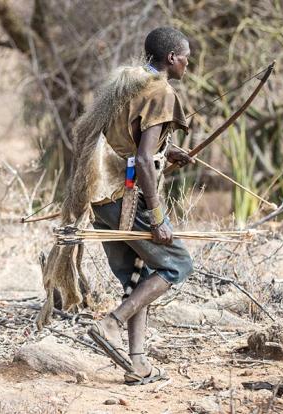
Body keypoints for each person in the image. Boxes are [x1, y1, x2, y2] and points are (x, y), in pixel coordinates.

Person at [87, 27, 194, 385]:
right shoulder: (160, 91)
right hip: (126, 197)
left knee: (138, 278)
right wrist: (159, 216)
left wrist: (168, 150)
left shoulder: (128, 82)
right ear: (170, 59)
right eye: (185, 57)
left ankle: (137, 363)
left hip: (101, 194)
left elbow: (128, 142)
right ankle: (111, 323)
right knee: (178, 263)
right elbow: (144, 161)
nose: (188, 63)